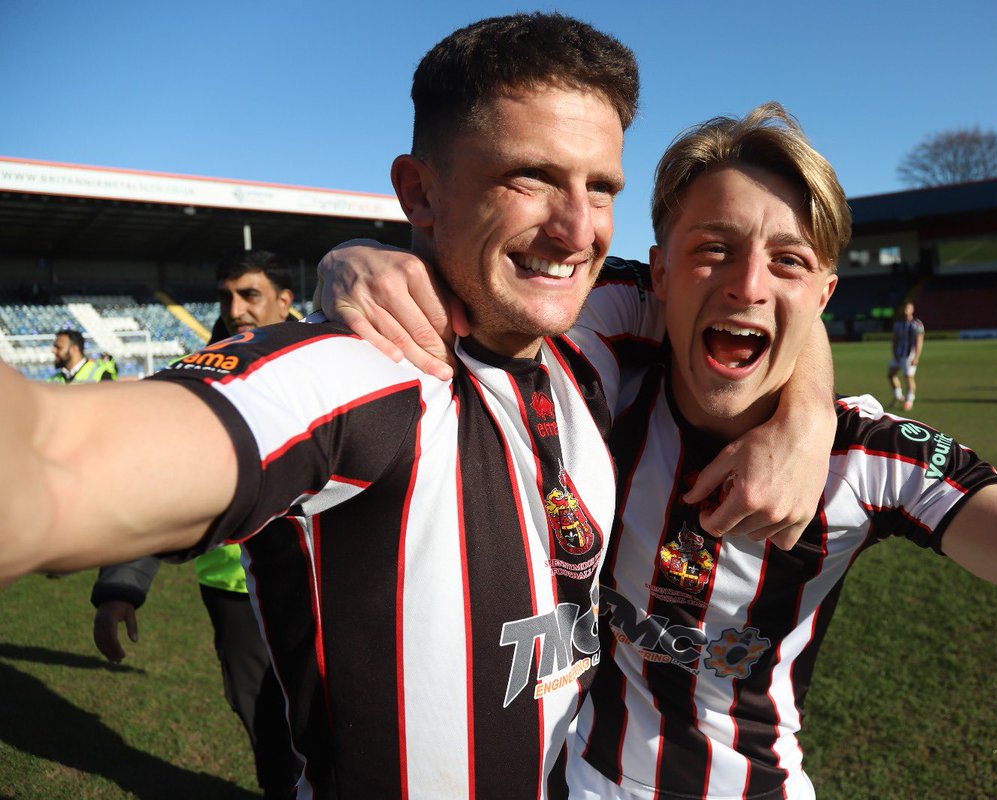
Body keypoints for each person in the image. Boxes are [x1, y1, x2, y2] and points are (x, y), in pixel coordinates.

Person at [0, 15, 835, 799]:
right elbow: (63, 460)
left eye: (601, 187)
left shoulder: (600, 323)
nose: (578, 229)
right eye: (531, 178)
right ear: (420, 192)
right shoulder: (360, 370)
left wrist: (809, 418)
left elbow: (757, 299)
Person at [316, 103, 997, 800]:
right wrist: (358, 256)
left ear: (824, 292)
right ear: (658, 274)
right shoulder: (614, 348)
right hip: (574, 777)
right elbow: (499, 272)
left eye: (787, 261)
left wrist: (809, 417)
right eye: (713, 250)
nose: (746, 284)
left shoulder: (871, 459)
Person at [90, 250, 299, 799]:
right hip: (231, 589)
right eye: (227, 297)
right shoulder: (197, 375)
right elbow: (156, 479)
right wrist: (120, 586)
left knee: (342, 719)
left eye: (249, 295)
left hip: (327, 583)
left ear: (285, 300)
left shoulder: (336, 360)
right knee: (259, 714)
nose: (235, 310)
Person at [887, 300, 923, 410]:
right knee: (891, 374)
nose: (905, 310)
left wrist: (916, 357)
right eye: (904, 308)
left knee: (908, 377)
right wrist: (894, 353)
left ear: (912, 310)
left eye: (907, 308)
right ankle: (898, 395)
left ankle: (909, 400)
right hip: (899, 354)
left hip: (909, 355)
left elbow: (919, 341)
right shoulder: (898, 324)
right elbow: (895, 340)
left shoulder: (917, 324)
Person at [48, 328, 115, 383]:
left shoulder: (102, 375)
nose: (53, 351)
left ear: (74, 349)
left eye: (59, 347)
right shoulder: (53, 379)